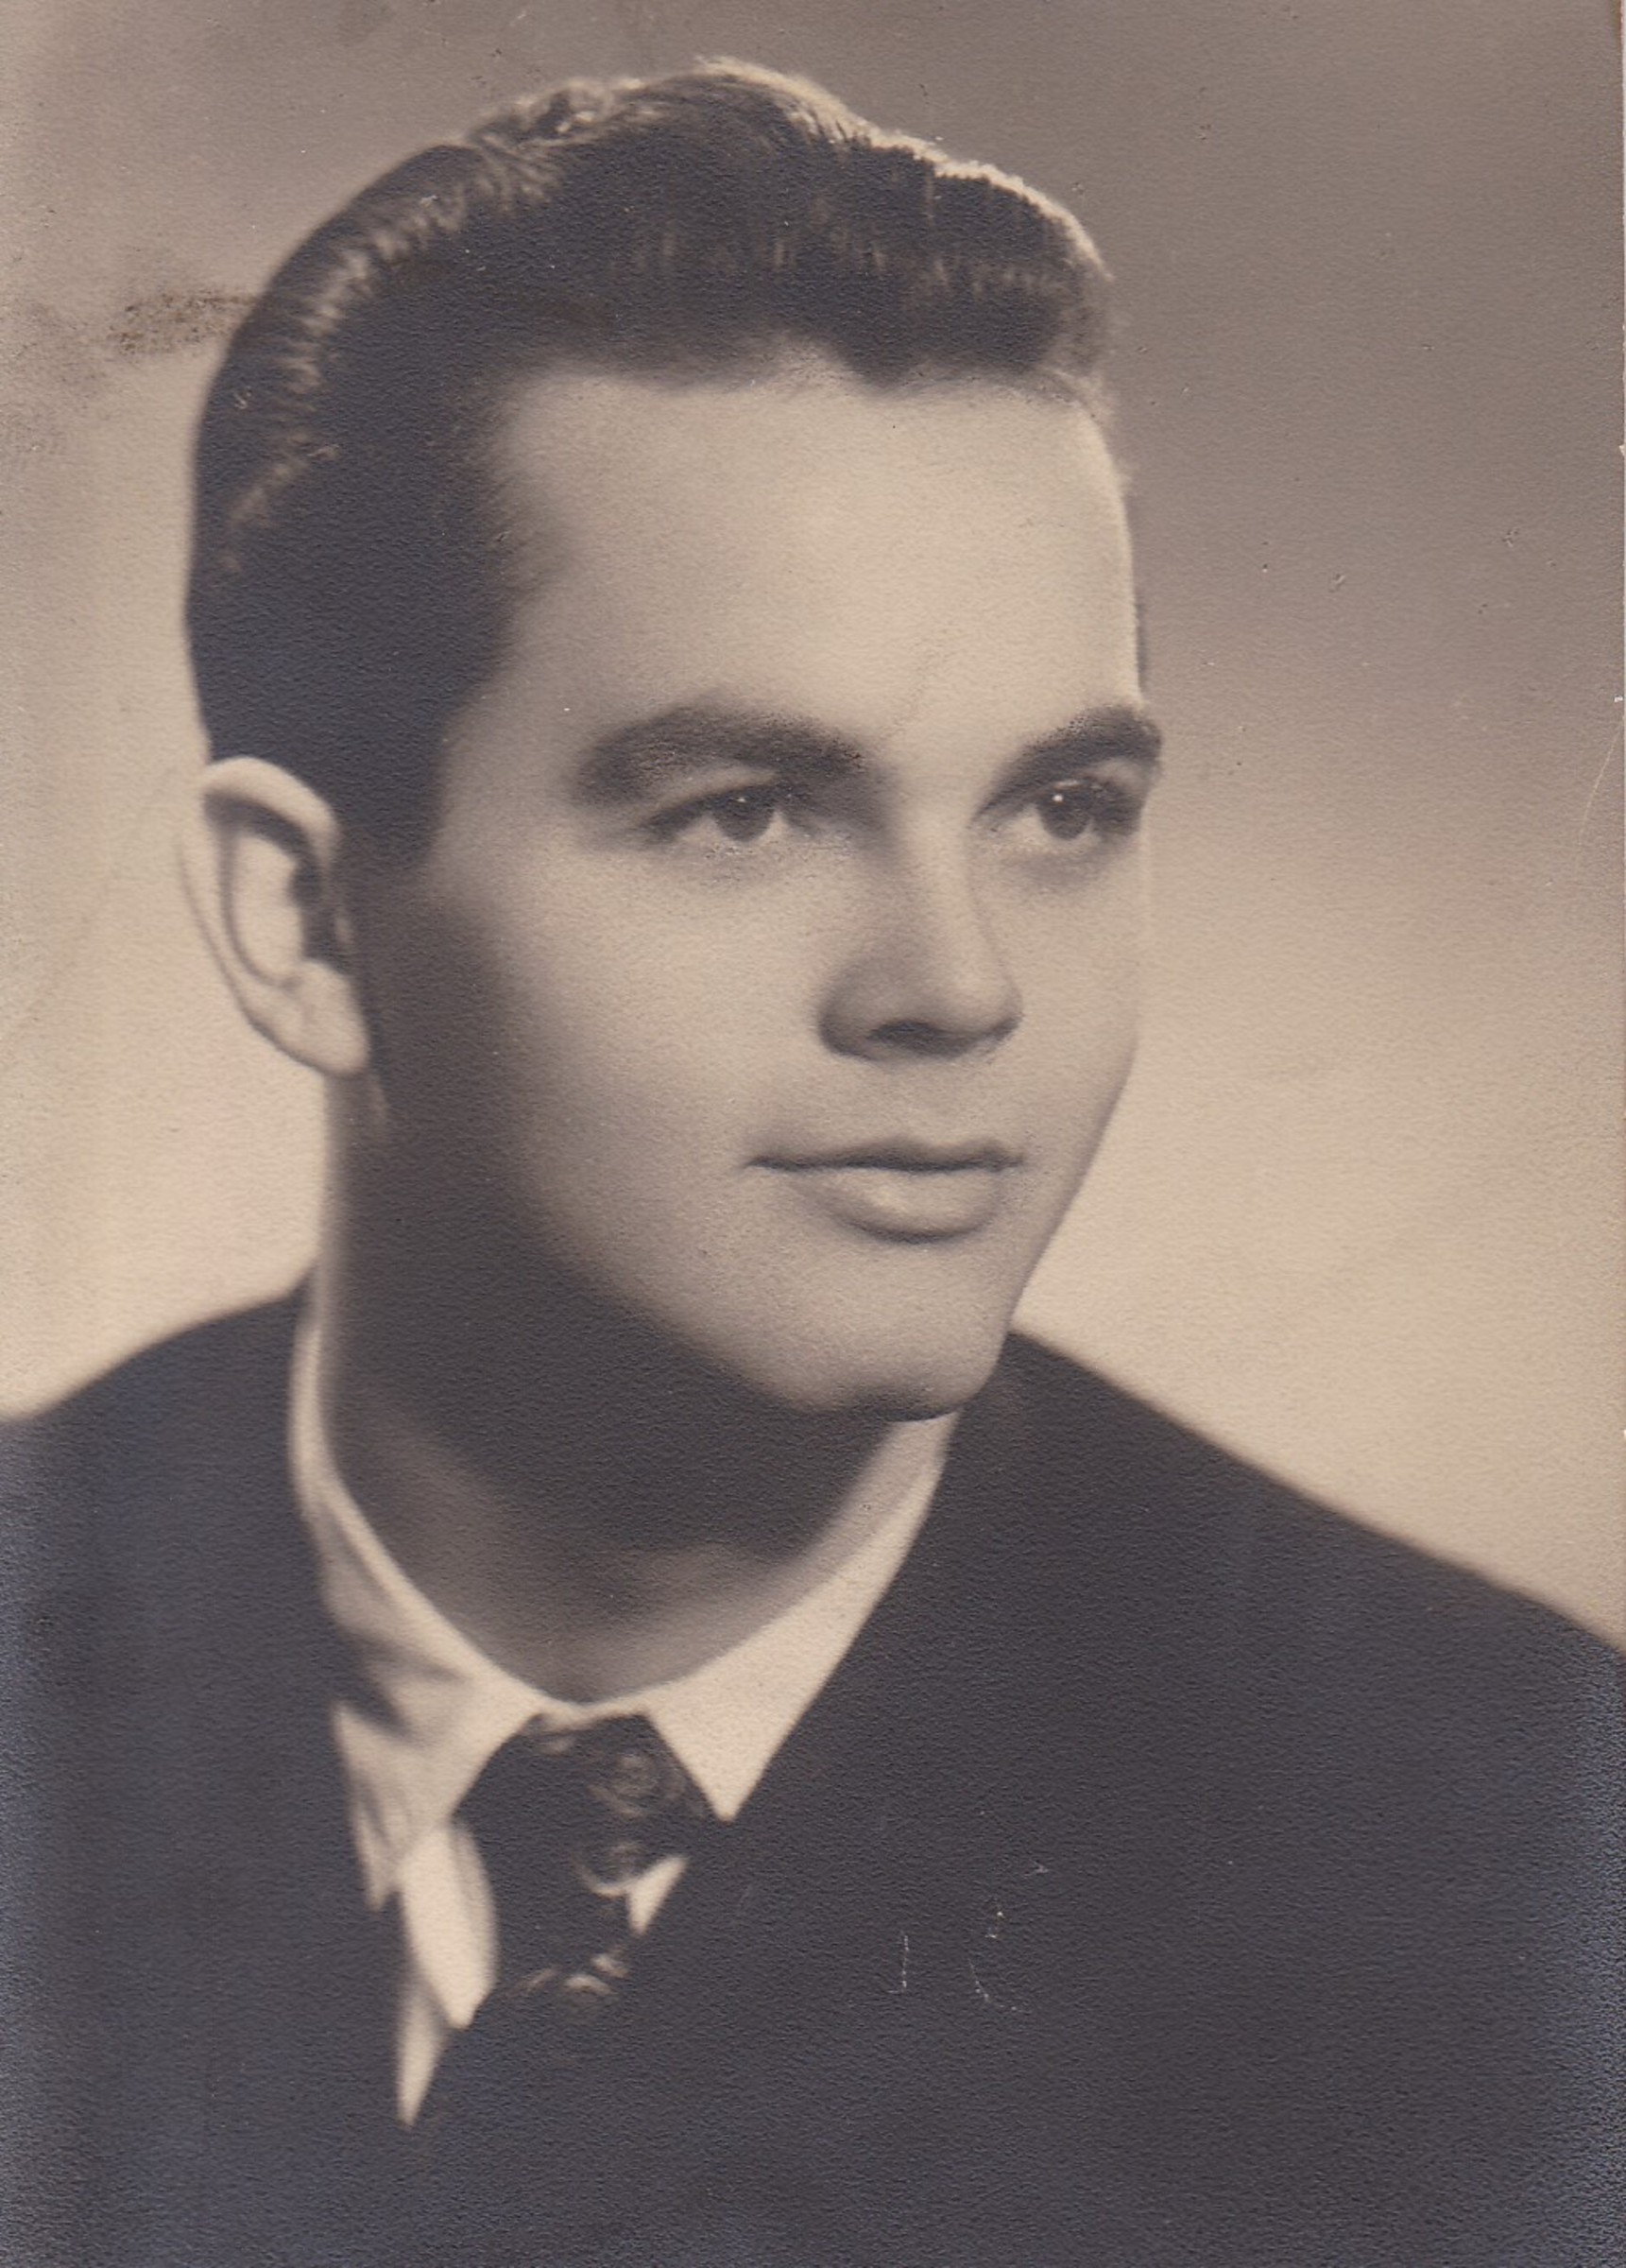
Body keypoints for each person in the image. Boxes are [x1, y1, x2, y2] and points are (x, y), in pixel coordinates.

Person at [3, 61, 1619, 2268]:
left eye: (1061, 810)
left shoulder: (1505, 1845)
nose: (958, 985)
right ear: (307, 920)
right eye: (745, 811)